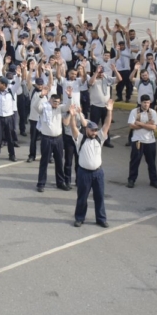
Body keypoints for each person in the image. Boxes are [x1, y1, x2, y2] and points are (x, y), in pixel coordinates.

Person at [69, 98, 113, 228]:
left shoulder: (99, 138)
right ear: (86, 129)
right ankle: (79, 218)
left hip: (98, 173)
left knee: (99, 197)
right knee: (82, 197)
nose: (94, 132)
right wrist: (72, 116)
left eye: (95, 130)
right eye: (92, 130)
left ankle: (101, 219)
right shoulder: (80, 139)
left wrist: (109, 111)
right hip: (84, 173)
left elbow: (107, 124)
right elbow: (73, 127)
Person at [127, 95, 157, 189]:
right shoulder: (134, 111)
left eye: (148, 102)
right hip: (137, 140)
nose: (146, 104)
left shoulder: (153, 112)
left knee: (151, 162)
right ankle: (131, 180)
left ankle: (154, 181)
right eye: (144, 102)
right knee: (135, 161)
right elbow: (131, 126)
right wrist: (147, 125)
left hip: (150, 141)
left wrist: (140, 123)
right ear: (140, 102)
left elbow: (154, 127)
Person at [0, 77, 18, 163]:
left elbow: (18, 84)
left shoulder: (11, 91)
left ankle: (12, 154)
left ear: (4, 85)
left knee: (10, 138)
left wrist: (21, 73)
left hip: (8, 118)